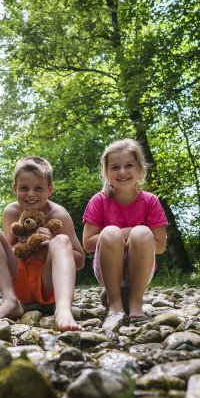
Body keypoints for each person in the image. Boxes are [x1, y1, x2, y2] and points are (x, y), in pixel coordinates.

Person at [0, 156, 85, 331]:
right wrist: (23, 247)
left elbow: (80, 261)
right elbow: (3, 254)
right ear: (14, 188)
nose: (31, 195)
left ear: (50, 190)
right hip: (20, 281)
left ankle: (63, 310)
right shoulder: (12, 212)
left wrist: (52, 244)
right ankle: (10, 301)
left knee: (62, 240)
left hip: (46, 282)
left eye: (39, 188)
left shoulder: (59, 215)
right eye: (24, 188)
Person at [82, 139, 168, 328]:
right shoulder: (99, 200)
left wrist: (132, 232)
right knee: (111, 233)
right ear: (106, 172)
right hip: (107, 269)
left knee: (142, 233)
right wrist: (121, 234)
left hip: (141, 269)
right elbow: (88, 243)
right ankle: (115, 303)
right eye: (115, 167)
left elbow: (160, 247)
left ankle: (136, 303)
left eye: (128, 165)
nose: (122, 172)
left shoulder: (150, 201)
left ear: (140, 168)